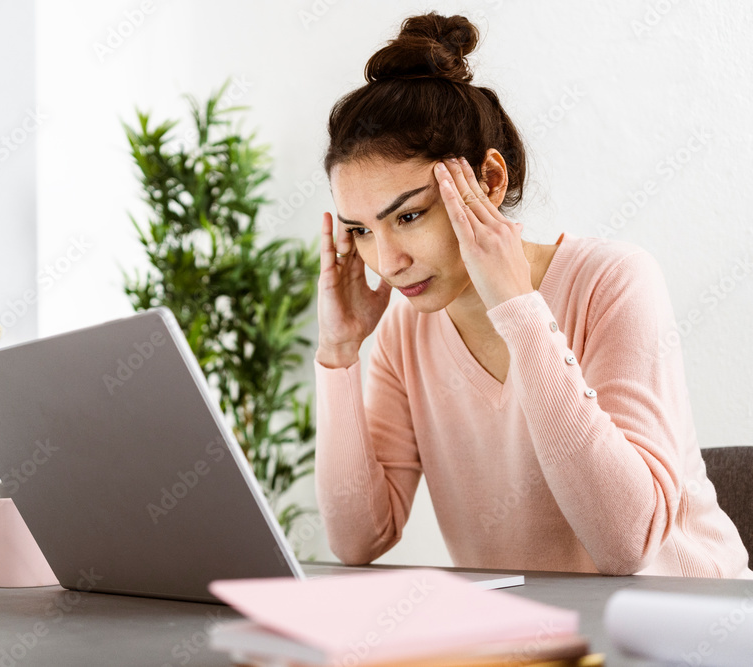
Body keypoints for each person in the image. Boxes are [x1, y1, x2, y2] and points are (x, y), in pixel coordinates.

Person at [314, 12, 752, 578]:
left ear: (490, 181)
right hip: (532, 629)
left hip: (684, 620)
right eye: (361, 231)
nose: (387, 261)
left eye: (410, 215)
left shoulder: (612, 282)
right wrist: (339, 351)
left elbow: (627, 546)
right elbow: (358, 541)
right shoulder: (407, 331)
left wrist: (518, 310)